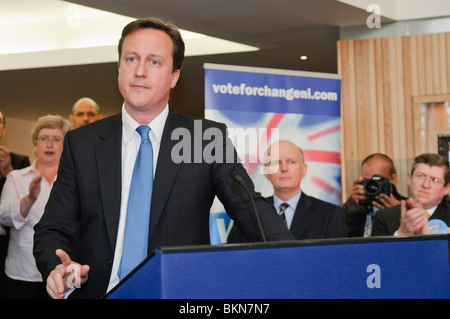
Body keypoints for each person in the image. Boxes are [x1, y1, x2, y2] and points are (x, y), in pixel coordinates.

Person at [33, 17, 294, 299]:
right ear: (119, 68)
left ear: (174, 77)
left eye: (154, 62)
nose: (140, 71)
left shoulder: (203, 139)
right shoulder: (82, 143)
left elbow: (250, 209)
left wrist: (301, 262)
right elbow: (52, 228)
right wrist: (58, 267)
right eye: (131, 59)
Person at [0, 114, 70, 298]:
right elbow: (3, 217)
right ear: (35, 144)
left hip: (64, 273)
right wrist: (29, 199)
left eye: (56, 139)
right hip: (22, 274)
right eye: (43, 138)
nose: (49, 144)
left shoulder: (74, 180)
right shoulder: (16, 177)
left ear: (65, 145)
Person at [228, 140, 346, 243]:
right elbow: (233, 260)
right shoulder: (249, 214)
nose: (284, 168)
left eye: (291, 162)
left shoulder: (330, 214)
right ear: (266, 172)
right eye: (276, 162)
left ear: (304, 170)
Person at [372, 153, 450, 236]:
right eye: (420, 176)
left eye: (434, 180)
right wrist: (400, 234)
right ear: (409, 179)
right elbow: (378, 249)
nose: (426, 185)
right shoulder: (384, 217)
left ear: (446, 188)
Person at [0, 111, 30, 299]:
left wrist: (7, 173)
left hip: (6, 243)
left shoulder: (19, 161)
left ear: (3, 128)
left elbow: (24, 201)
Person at [343, 153, 407, 237]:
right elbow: (340, 235)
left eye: (378, 180)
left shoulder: (405, 206)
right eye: (368, 181)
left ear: (394, 179)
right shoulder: (356, 207)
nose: (373, 186)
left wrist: (397, 213)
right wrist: (351, 207)